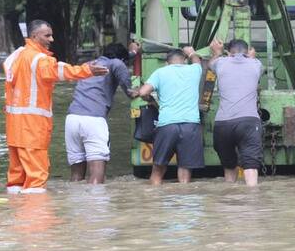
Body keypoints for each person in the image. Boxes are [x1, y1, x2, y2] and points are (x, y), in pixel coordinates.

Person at [4, 19, 109, 194]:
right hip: (33, 128)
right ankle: (37, 217)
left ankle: (17, 212)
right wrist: (86, 70)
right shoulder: (40, 60)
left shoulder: (17, 56)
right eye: (47, 35)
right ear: (34, 36)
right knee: (36, 179)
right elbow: (60, 71)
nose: (51, 39)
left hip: (14, 128)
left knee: (16, 178)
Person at [65, 41, 141, 184]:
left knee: (76, 175)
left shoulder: (89, 65)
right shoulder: (118, 64)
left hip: (72, 119)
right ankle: (97, 205)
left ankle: (75, 203)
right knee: (97, 173)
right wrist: (144, 91)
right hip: (93, 120)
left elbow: (119, 60)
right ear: (122, 59)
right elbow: (130, 92)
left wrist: (133, 52)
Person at [137, 46, 204, 185]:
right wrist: (191, 52)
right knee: (185, 168)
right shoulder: (194, 70)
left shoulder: (161, 72)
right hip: (190, 125)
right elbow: (197, 60)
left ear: (167, 63)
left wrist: (152, 101)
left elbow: (143, 92)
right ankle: (184, 198)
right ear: (184, 61)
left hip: (167, 125)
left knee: (158, 169)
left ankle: (154, 195)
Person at [208, 38, 263, 187]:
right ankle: (253, 199)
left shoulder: (220, 63)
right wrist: (251, 57)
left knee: (229, 165)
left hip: (223, 123)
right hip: (249, 122)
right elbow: (254, 70)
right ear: (248, 52)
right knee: (250, 165)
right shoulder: (256, 64)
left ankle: (230, 196)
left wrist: (217, 52)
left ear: (228, 53)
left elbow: (210, 65)